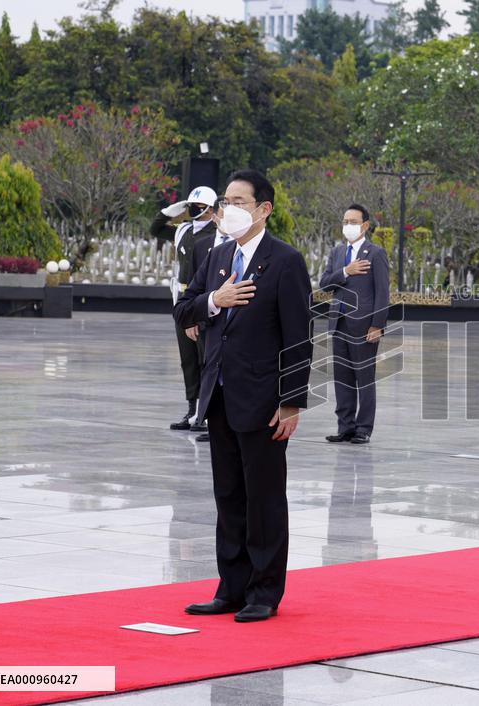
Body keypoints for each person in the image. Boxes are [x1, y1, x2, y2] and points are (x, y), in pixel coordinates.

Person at [174, 170, 313, 623]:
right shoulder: (215, 256)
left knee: (264, 497)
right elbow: (184, 308)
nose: (226, 210)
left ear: (263, 209)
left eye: (238, 201)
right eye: (224, 202)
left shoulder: (285, 261)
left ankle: (264, 591)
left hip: (264, 399)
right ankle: (230, 587)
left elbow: (299, 337)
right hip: (219, 395)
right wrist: (216, 299)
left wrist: (291, 401)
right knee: (229, 495)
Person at [318, 204, 390, 445]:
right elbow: (325, 283)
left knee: (364, 378)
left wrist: (377, 325)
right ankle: (345, 427)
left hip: (364, 326)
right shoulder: (337, 253)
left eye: (353, 221)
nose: (348, 226)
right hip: (338, 322)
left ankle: (363, 428)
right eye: (345, 221)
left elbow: (382, 292)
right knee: (342, 378)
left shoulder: (375, 253)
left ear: (365, 225)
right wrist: (346, 271)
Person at [151, 186, 218, 433]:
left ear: (211, 209)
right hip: (182, 297)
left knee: (206, 357)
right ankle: (193, 410)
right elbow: (155, 229)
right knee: (188, 358)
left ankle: (208, 412)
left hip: (204, 299)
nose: (193, 210)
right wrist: (170, 211)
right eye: (191, 206)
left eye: (198, 207)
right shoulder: (183, 230)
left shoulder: (218, 234)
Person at [185, 218, 237, 443]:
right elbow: (192, 286)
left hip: (235, 328)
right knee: (201, 365)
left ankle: (220, 420)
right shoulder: (204, 247)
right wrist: (193, 316)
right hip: (206, 317)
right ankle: (201, 416)